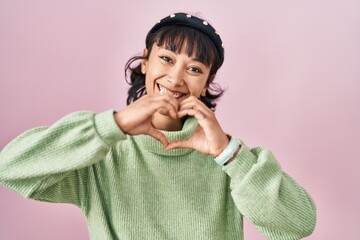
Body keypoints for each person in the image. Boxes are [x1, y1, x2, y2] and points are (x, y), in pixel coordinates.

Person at [0, 12, 316, 239]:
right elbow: (11, 168)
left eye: (194, 68)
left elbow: (299, 224)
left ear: (207, 82)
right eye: (166, 59)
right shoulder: (104, 150)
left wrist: (229, 154)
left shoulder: (230, 158)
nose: (176, 78)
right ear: (145, 60)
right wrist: (113, 126)